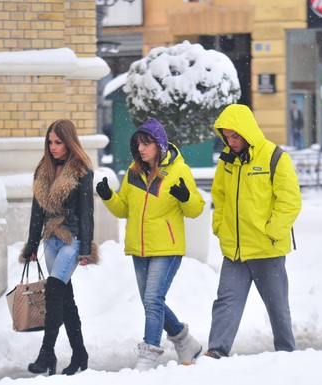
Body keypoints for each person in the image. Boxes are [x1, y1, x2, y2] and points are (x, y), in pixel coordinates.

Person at [95, 118, 206, 371]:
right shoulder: (133, 172)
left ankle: (149, 352)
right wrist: (109, 196)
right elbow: (124, 209)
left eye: (147, 143)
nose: (142, 149)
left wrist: (186, 198)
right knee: (151, 301)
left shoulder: (179, 171)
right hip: (139, 247)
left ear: (160, 144)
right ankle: (185, 342)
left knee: (153, 299)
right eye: (138, 144)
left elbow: (196, 209)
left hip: (167, 247)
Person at [204, 104, 302, 359]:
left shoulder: (275, 157)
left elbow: (289, 200)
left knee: (277, 306)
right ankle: (216, 350)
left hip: (266, 248)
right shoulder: (226, 161)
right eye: (226, 136)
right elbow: (220, 197)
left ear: (247, 131)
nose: (231, 141)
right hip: (235, 249)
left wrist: (272, 231)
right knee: (226, 301)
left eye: (235, 136)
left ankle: (286, 352)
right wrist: (220, 227)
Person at [20, 119, 99, 376]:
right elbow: (36, 213)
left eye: (58, 142)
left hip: (72, 239)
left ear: (69, 141)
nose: (53, 147)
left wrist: (86, 248)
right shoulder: (43, 170)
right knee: (65, 298)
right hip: (50, 240)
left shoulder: (82, 170)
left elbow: (87, 213)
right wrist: (32, 245)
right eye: (50, 142)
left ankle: (46, 353)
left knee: (54, 290)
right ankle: (80, 354)